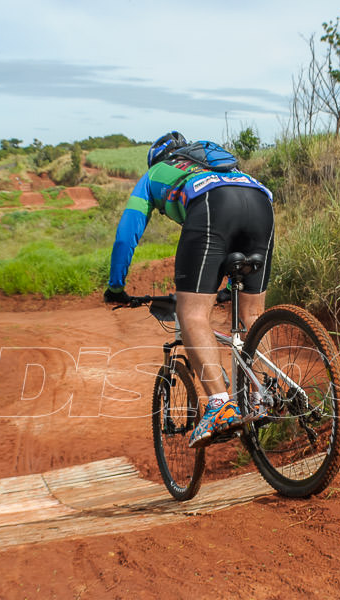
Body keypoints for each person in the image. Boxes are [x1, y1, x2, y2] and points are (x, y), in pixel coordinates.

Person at [104, 131, 274, 448]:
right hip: (261, 203)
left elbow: (126, 234)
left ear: (157, 158)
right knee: (253, 314)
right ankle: (264, 393)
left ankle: (220, 405)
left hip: (212, 206)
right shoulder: (215, 165)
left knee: (192, 313)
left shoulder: (154, 174)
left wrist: (116, 286)